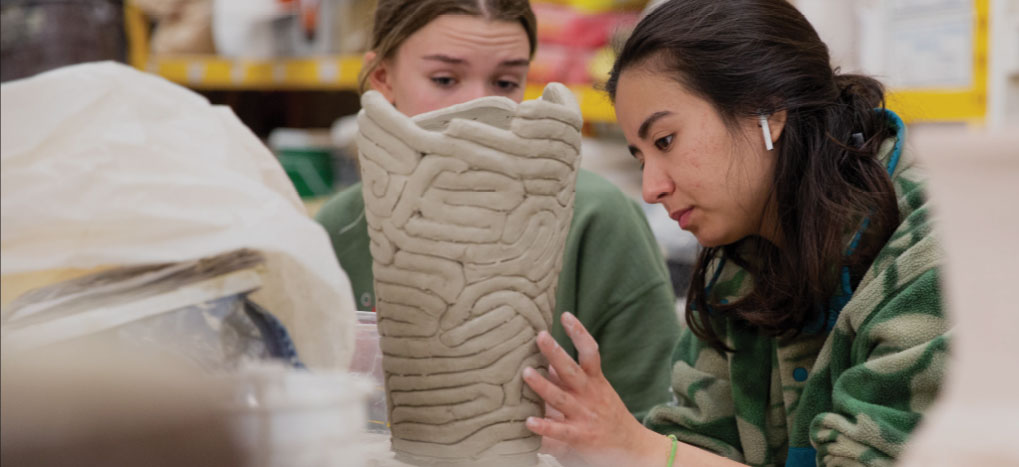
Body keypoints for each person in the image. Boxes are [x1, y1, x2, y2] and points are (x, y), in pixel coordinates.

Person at [521, 0, 949, 465]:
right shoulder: (737, 260)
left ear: (767, 109)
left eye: (665, 140)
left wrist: (635, 447)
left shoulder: (935, 256)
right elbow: (698, 440)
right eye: (640, 157)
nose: (651, 189)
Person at [314, 0, 681, 421]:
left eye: (505, 82)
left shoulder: (597, 220)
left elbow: (655, 429)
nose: (481, 108)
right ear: (383, 79)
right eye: (445, 78)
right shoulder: (338, 229)